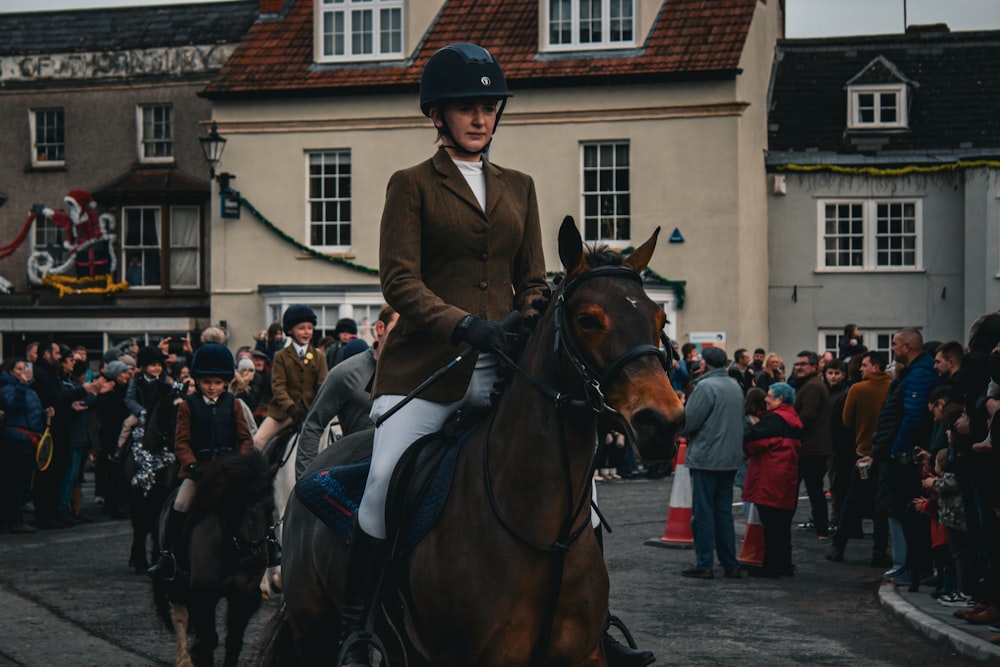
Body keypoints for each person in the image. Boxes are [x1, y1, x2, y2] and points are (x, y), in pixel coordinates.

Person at [336, 43, 551, 667]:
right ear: (437, 115)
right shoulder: (411, 186)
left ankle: (589, 618)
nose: (480, 118)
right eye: (466, 108)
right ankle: (360, 624)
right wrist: (463, 326)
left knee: (573, 478)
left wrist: (528, 316)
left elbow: (533, 277)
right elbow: (399, 282)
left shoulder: (521, 187)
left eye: (488, 108)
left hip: (507, 368)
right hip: (429, 370)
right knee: (380, 483)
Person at [147, 344, 255, 579]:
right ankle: (168, 555)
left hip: (228, 470)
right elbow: (182, 443)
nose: (213, 388)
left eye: (217, 383)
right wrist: (192, 466)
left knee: (253, 504)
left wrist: (239, 463)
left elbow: (245, 439)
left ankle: (259, 549)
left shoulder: (234, 405)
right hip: (199, 471)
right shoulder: (187, 406)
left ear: (226, 382)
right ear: (197, 381)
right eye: (207, 383)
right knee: (180, 504)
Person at [295, 306, 397, 479]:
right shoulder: (345, 373)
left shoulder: (420, 375)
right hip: (357, 474)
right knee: (260, 440)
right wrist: (305, 480)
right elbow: (313, 425)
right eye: (399, 329)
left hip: (402, 477)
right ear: (380, 328)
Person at [871, 328, 936, 586]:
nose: (893, 349)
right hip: (902, 453)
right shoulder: (911, 373)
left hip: (907, 457)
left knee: (912, 514)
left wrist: (896, 449)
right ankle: (911, 565)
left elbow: (912, 416)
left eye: (895, 344)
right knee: (905, 513)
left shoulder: (920, 374)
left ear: (908, 346)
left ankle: (916, 567)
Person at [679, 346, 745, 579]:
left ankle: (704, 562)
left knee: (703, 513)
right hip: (729, 458)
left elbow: (689, 422)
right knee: (723, 513)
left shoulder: (705, 387)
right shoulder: (735, 386)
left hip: (707, 457)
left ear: (705, 364)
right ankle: (730, 563)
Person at [828, 351, 892, 564]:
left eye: (865, 365)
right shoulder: (893, 387)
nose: (861, 368)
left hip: (863, 451)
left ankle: (838, 547)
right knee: (881, 507)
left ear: (876, 367)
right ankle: (879, 552)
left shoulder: (858, 389)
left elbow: (847, 421)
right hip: (886, 454)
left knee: (851, 501)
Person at [743, 382, 802, 578]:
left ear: (780, 400)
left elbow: (753, 441)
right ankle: (784, 564)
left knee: (771, 525)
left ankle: (770, 566)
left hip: (769, 477)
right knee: (782, 525)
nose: (766, 399)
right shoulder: (792, 419)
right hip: (786, 478)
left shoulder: (773, 420)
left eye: (769, 396)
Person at [253, 304, 328, 450]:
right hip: (283, 414)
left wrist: (315, 409)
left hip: (310, 414)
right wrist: (291, 408)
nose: (306, 332)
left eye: (310, 328)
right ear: (290, 331)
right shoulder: (280, 356)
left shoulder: (319, 357)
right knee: (257, 441)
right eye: (301, 328)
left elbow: (322, 386)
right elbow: (278, 386)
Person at [0, 358, 48, 533]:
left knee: (23, 480)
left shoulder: (27, 389)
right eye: (19, 369)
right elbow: (13, 405)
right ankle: (15, 519)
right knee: (16, 482)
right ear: (12, 372)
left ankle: (16, 516)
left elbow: (32, 410)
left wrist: (45, 413)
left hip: (29, 438)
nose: (23, 371)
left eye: (24, 368)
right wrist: (22, 385)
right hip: (17, 438)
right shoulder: (9, 388)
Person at [792, 351, 833, 539]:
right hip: (814, 447)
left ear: (814, 367)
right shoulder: (811, 385)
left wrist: (789, 429)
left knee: (809, 490)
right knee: (814, 490)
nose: (799, 367)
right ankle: (821, 529)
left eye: (803, 364)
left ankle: (821, 529)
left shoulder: (812, 387)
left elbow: (807, 416)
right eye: (797, 364)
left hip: (810, 448)